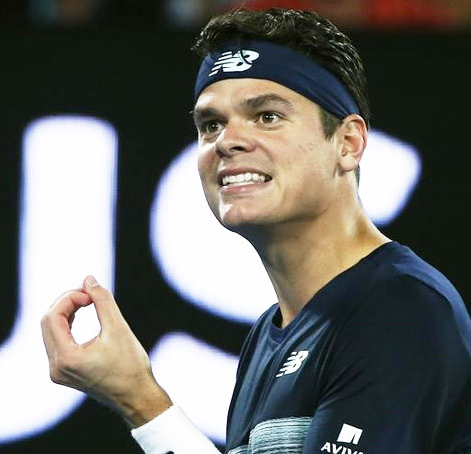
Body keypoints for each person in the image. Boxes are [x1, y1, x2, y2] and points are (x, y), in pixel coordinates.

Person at [41, 8, 471, 454]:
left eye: (266, 116)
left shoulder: (399, 308)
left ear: (348, 144)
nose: (227, 141)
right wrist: (135, 396)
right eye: (211, 124)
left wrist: (140, 399)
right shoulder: (270, 334)